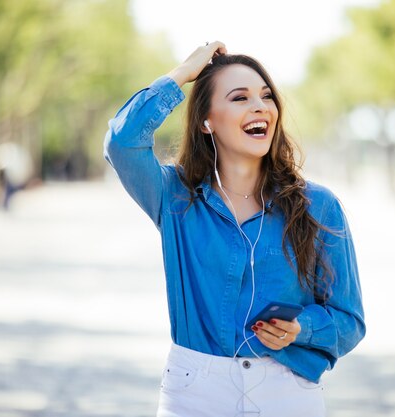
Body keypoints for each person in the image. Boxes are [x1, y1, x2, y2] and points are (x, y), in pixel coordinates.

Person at [103, 41, 365, 417]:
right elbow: (122, 142)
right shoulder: (175, 197)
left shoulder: (319, 206)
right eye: (239, 97)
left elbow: (349, 319)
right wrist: (181, 75)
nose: (260, 106)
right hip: (194, 392)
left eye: (266, 96)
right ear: (206, 121)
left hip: (287, 391)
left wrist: (301, 329)